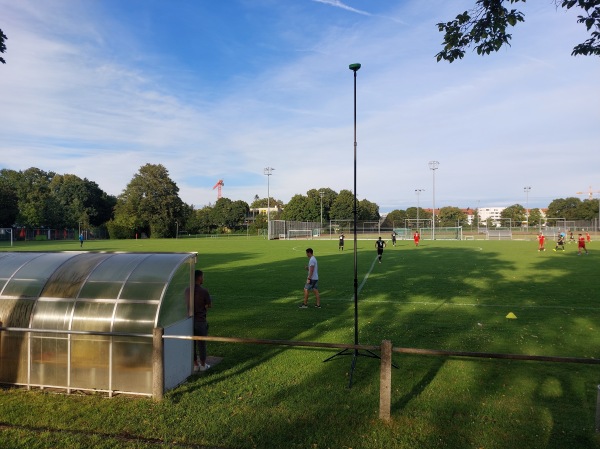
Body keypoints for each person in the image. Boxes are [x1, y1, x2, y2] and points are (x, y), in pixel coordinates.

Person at [185, 270, 212, 371]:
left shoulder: (187, 290)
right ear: (200, 278)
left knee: (192, 344)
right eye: (203, 277)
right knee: (202, 343)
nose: (203, 278)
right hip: (200, 321)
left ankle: (195, 364)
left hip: (189, 321)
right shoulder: (204, 291)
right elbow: (209, 305)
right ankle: (203, 364)